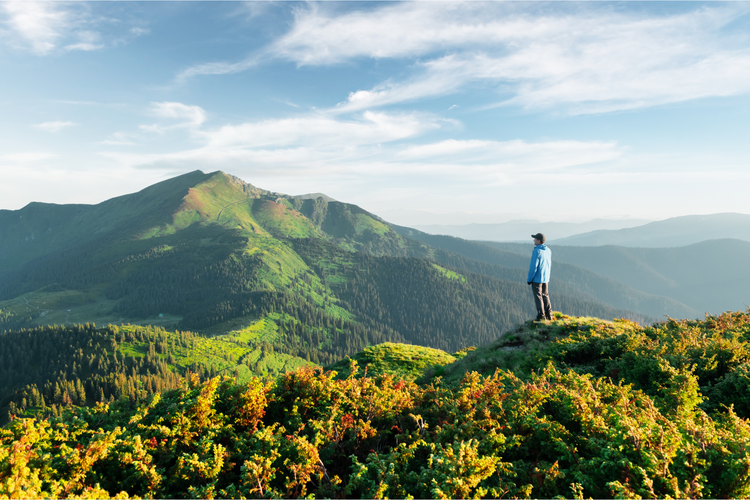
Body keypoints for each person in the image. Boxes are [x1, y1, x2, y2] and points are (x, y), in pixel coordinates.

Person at [527, 232, 552, 321]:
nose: (534, 240)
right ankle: (549, 315)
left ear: (539, 241)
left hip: (537, 279)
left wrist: (529, 279)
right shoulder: (548, 250)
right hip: (546, 278)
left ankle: (541, 316)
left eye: (535, 239)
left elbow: (533, 267)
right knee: (545, 295)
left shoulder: (536, 251)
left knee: (538, 297)